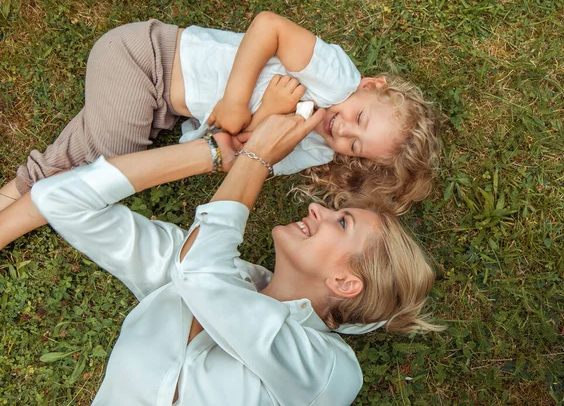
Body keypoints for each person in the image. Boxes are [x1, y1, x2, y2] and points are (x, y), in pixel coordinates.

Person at [29, 110, 440, 405]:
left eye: (342, 222)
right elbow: (60, 199)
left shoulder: (330, 371)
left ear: (346, 283)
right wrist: (209, 154)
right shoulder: (197, 266)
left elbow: (200, 274)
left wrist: (255, 160)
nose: (319, 209)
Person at [0, 11, 439, 248]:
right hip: (147, 57)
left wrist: (268, 110)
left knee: (85, 161)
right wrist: (236, 97)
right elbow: (270, 25)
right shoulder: (337, 77)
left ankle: (14, 200)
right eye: (358, 117)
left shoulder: (316, 150)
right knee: (96, 164)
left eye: (354, 146)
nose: (341, 129)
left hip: (162, 109)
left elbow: (243, 152)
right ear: (371, 86)